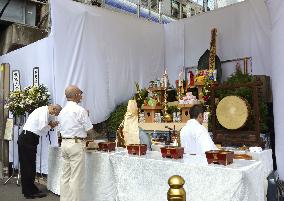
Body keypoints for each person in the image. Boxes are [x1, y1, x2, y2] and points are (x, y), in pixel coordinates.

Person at [58, 85, 96, 201]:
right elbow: (90, 130)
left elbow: (59, 131)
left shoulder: (62, 111)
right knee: (76, 178)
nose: (81, 95)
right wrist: (94, 138)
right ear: (75, 95)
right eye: (80, 93)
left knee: (65, 176)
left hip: (64, 143)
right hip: (75, 144)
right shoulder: (80, 110)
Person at [18, 104, 62, 199]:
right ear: (54, 109)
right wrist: (51, 125)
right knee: (28, 166)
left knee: (30, 165)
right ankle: (29, 192)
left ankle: (31, 189)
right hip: (28, 138)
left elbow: (41, 128)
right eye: (56, 113)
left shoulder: (43, 111)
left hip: (29, 138)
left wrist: (50, 125)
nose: (54, 115)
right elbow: (42, 127)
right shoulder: (44, 111)